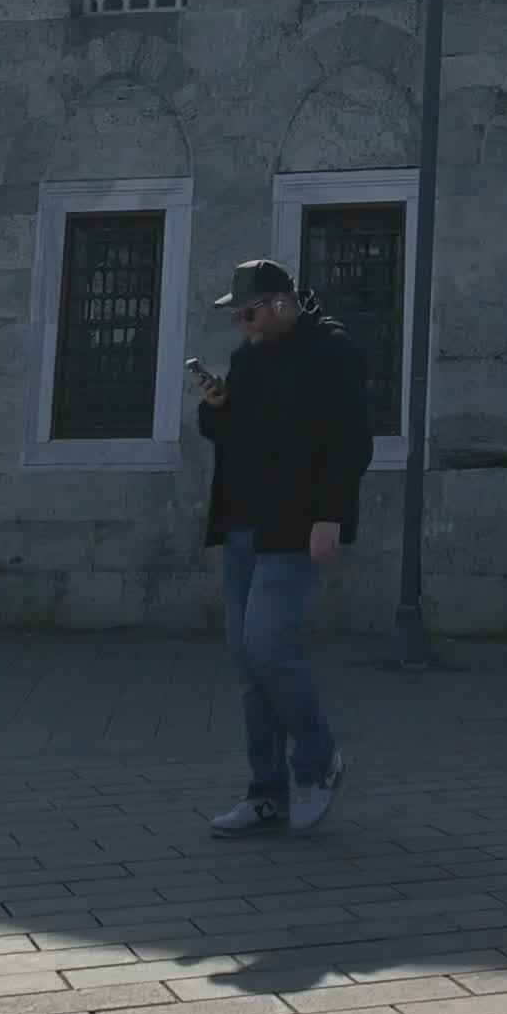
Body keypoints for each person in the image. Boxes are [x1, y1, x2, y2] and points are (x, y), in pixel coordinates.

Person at [195, 258, 373, 836]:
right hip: (241, 523)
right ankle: (265, 792)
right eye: (236, 317)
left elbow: (350, 441)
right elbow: (234, 433)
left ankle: (319, 763)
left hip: (293, 523)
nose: (242, 325)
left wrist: (330, 515)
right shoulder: (249, 358)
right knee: (249, 664)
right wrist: (216, 408)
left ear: (279, 303)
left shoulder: (331, 352)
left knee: (269, 646)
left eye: (248, 314)